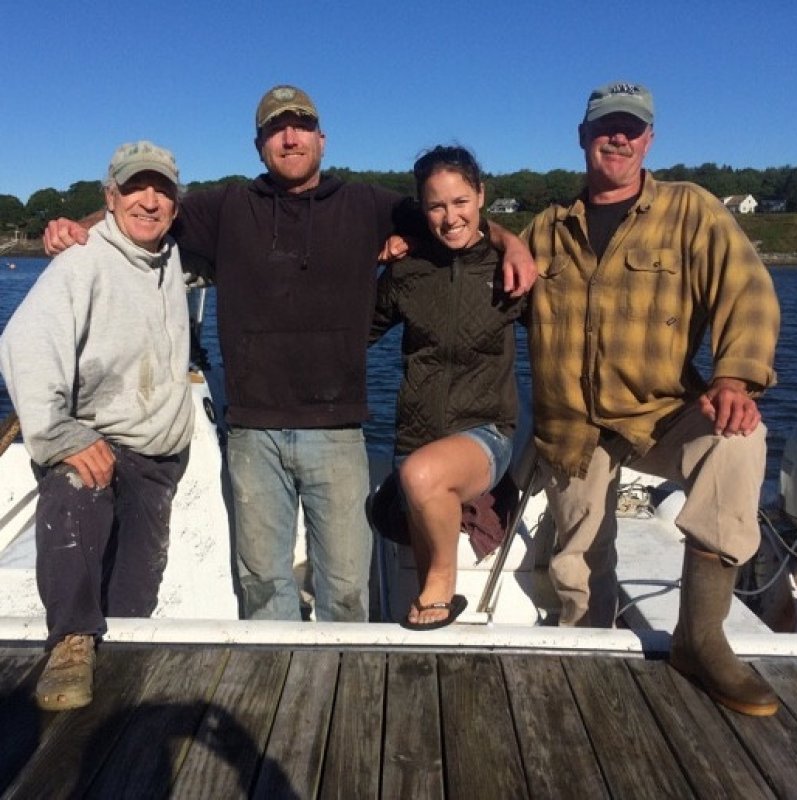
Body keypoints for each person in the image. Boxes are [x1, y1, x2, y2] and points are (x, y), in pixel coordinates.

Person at [44, 85, 536, 623]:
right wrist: (79, 226)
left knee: (347, 591)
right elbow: (144, 213)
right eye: (277, 128)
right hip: (253, 433)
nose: (290, 135)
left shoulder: (368, 205)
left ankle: (345, 692)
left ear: (321, 139)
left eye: (301, 124)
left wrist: (515, 243)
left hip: (340, 431)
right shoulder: (227, 207)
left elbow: (458, 217)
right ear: (260, 145)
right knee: (263, 585)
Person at [521, 81, 781, 716]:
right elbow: (482, 277)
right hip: (574, 423)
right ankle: (589, 667)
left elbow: (747, 291)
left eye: (631, 128)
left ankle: (700, 636)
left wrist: (733, 378)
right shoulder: (547, 227)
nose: (619, 136)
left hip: (659, 409)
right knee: (579, 564)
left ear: (649, 140)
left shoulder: (691, 209)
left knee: (739, 441)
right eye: (606, 126)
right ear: (582, 136)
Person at [0, 141, 193, 710]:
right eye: (136, 187)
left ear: (176, 206)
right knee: (72, 488)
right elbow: (24, 345)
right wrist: (62, 436)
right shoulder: (83, 260)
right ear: (110, 198)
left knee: (135, 599)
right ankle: (70, 641)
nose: (150, 201)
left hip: (159, 460)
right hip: (98, 441)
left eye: (162, 191)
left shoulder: (175, 257)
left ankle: (116, 700)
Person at [370, 146, 526, 628]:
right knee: (416, 482)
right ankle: (434, 640)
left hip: (487, 434)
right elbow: (357, 333)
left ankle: (443, 587)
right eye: (436, 205)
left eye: (461, 201)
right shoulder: (408, 270)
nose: (450, 216)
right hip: (415, 437)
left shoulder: (510, 269)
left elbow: (562, 345)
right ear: (422, 209)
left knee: (421, 477)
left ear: (481, 195)